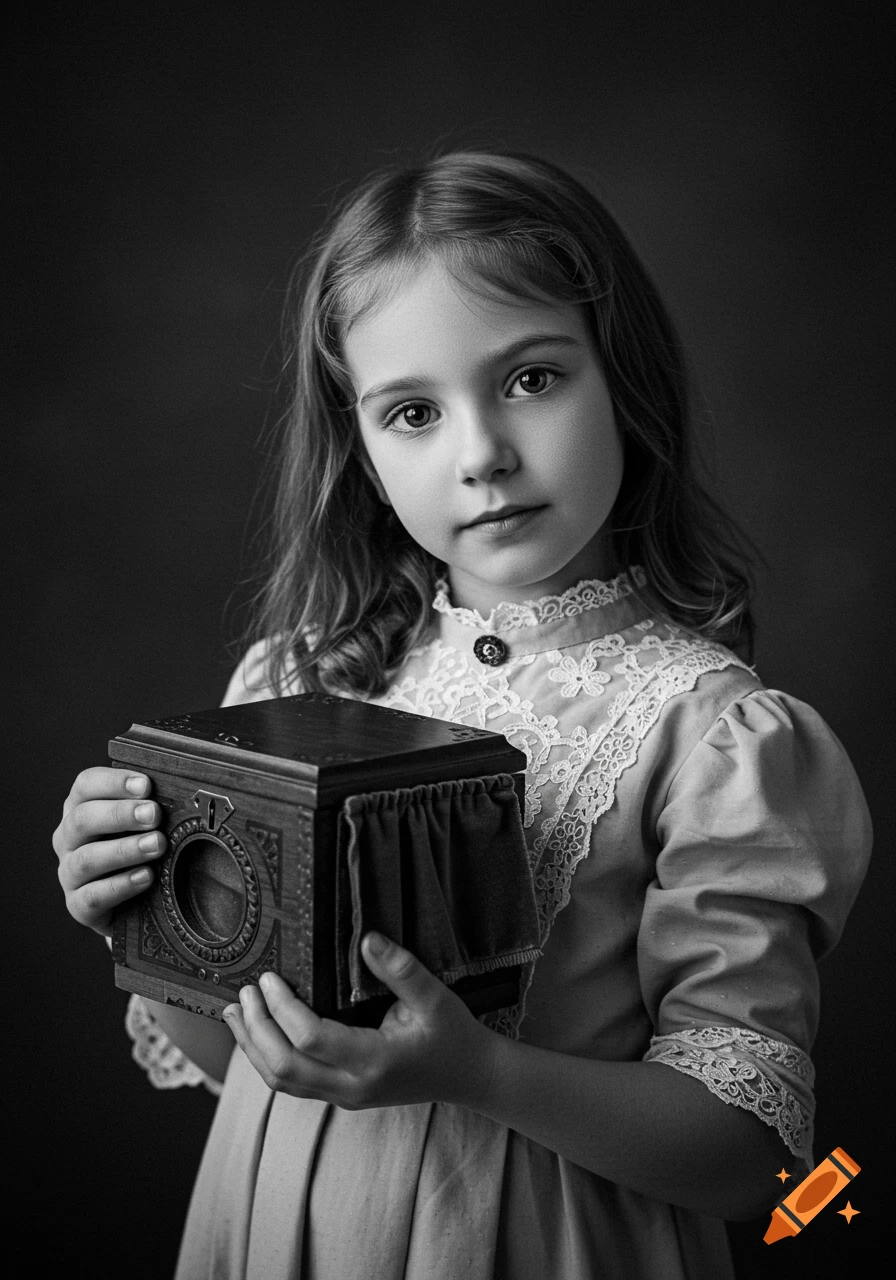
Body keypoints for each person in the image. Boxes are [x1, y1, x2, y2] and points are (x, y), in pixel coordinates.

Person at [53, 150, 872, 1279]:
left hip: (547, 1238)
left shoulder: (716, 737)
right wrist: (147, 921)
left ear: (621, 374)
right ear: (362, 447)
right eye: (412, 411)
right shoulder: (292, 682)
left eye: (531, 378)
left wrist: (478, 1070)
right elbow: (242, 1052)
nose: (482, 454)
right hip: (278, 1225)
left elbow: (749, 1159)